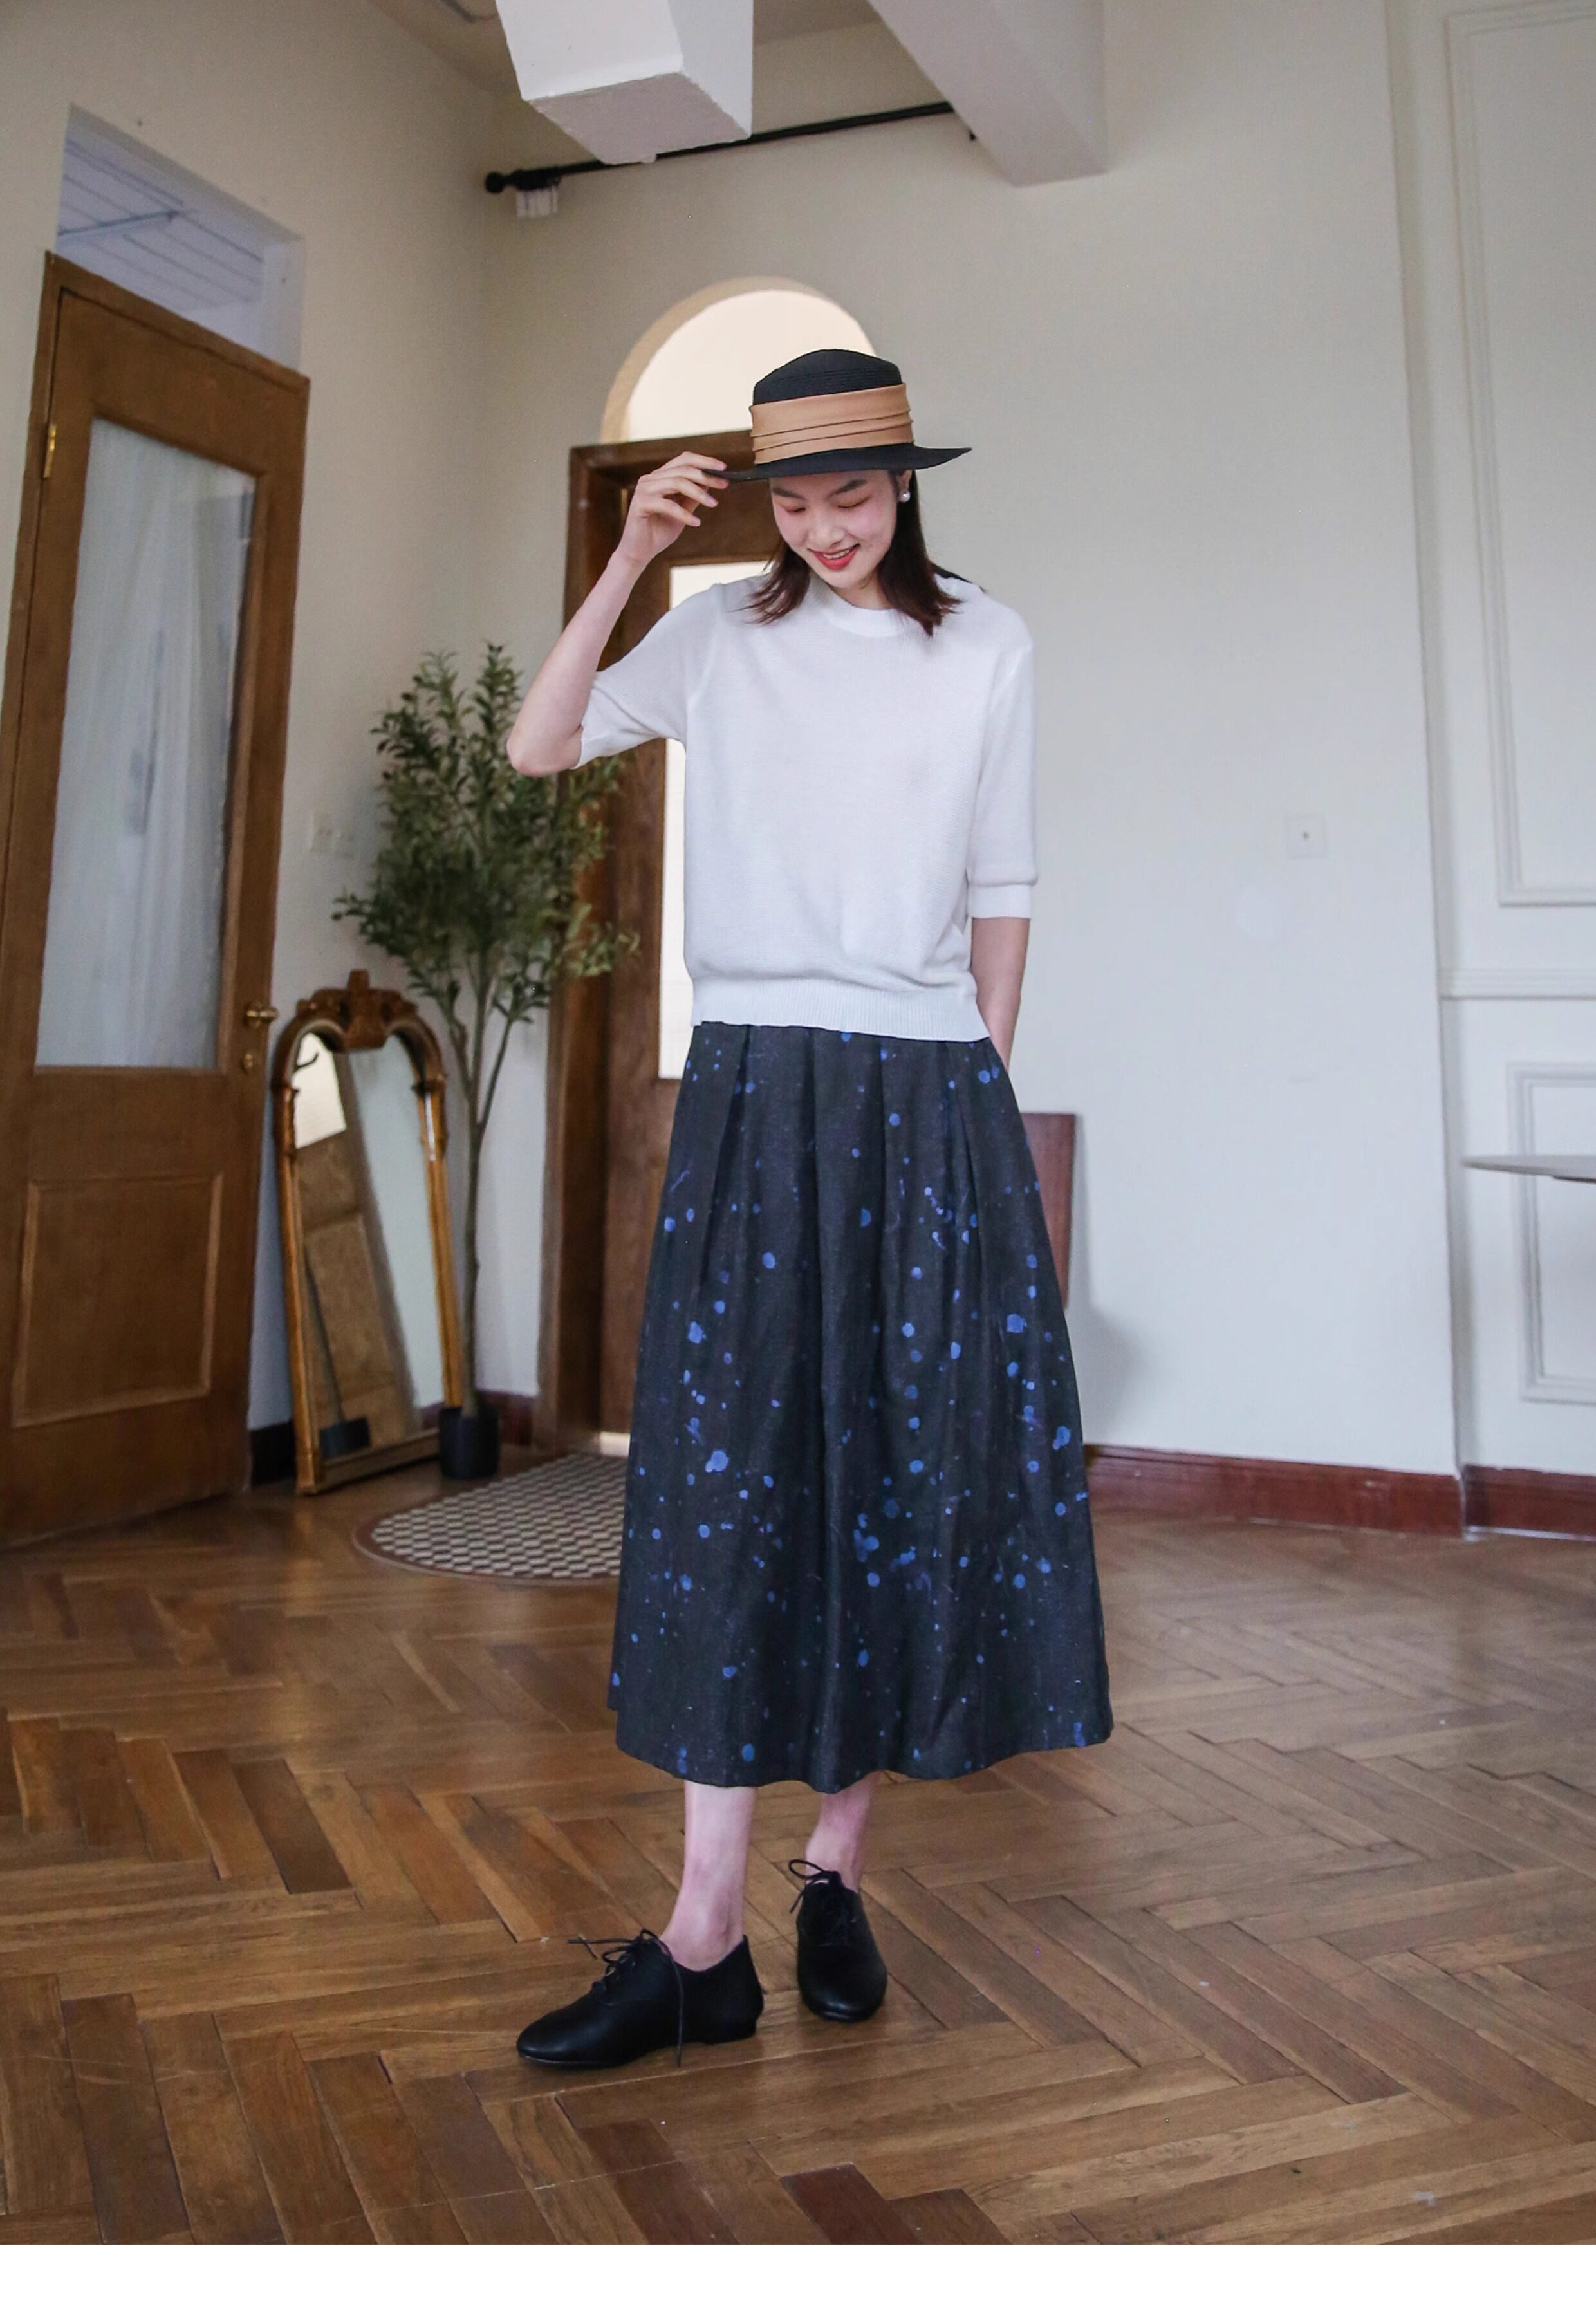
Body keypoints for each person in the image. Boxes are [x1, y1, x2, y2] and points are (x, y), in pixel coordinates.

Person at [506, 348, 1111, 2070]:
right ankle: (703, 1938)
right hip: (755, 1087)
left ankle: (834, 1875)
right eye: (796, 502)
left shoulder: (986, 643)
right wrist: (632, 555)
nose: (829, 529)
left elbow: (1004, 888)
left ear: (905, 484)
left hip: (929, 1093)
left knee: (896, 1474)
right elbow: (540, 742)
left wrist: (980, 1099)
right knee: (730, 1478)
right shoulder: (716, 636)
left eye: (854, 495)